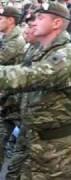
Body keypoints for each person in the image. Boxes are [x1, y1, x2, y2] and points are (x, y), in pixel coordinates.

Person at [0, 2, 71, 178]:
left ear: (56, 23)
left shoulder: (66, 54)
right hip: (38, 141)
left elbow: (30, 76)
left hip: (61, 148)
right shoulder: (41, 52)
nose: (33, 22)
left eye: (40, 17)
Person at [0, 6, 25, 170]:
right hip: (7, 99)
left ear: (10, 20)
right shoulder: (7, 39)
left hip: (12, 101)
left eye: (1, 18)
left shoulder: (15, 41)